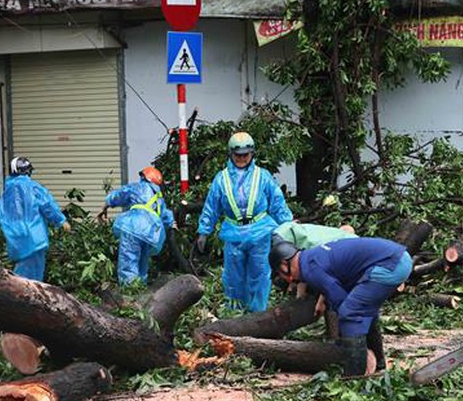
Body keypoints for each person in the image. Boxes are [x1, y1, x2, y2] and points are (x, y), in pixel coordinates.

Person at [270, 236, 411, 376]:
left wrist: (353, 342)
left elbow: (339, 298)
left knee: (350, 313)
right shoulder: (310, 258)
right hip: (396, 258)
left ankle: (355, 377)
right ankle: (379, 365)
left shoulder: (309, 269)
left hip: (390, 264)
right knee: (364, 310)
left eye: (279, 274)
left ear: (284, 265)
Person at [196, 132, 292, 312]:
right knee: (233, 276)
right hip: (234, 233)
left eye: (245, 155)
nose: (241, 158)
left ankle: (258, 314)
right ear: (231, 154)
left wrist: (288, 226)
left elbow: (277, 203)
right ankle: (234, 315)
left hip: (260, 232)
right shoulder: (221, 178)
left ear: (252, 154)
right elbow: (212, 206)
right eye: (237, 155)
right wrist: (204, 231)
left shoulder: (262, 176)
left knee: (260, 274)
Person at [0, 156, 70, 281]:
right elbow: (47, 205)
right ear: (27, 171)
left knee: (21, 275)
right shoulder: (32, 187)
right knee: (30, 281)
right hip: (35, 238)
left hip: (16, 241)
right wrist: (61, 221)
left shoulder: (7, 193)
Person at [100, 166, 175, 286]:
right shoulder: (159, 198)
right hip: (150, 233)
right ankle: (140, 287)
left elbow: (120, 194)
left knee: (129, 258)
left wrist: (107, 203)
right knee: (142, 261)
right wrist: (173, 224)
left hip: (133, 226)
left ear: (144, 177)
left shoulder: (137, 187)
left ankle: (129, 290)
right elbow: (166, 216)